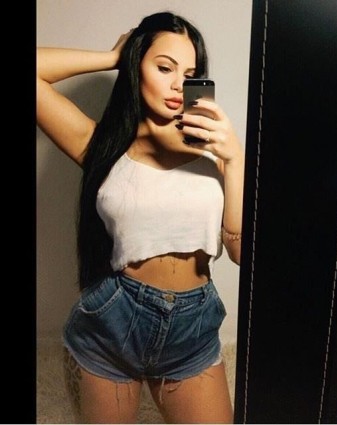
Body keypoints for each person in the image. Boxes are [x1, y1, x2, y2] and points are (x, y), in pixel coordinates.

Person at [36, 10, 244, 424]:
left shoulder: (216, 150)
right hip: (113, 323)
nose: (178, 84)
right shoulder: (100, 144)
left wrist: (235, 159)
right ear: (137, 66)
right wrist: (114, 56)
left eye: (189, 74)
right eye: (164, 67)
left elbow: (240, 253)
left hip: (193, 327)